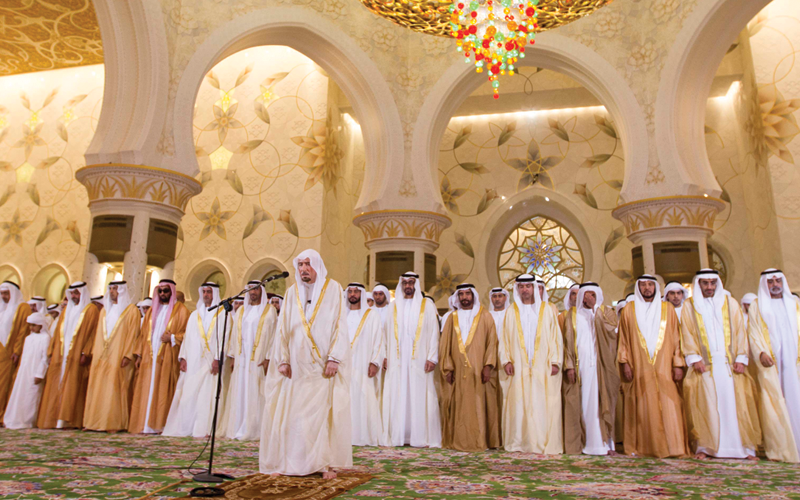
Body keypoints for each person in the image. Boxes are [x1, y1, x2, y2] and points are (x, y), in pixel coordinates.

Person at [260, 249, 351, 478]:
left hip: (322, 368)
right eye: (300, 265)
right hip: (296, 367)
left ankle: (322, 464)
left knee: (320, 416)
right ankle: (289, 463)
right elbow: (283, 327)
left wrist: (334, 357)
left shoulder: (333, 289)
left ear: (317, 266)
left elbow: (341, 325)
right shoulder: (291, 293)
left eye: (308, 264)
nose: (303, 269)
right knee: (294, 416)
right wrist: (283, 359)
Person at [680, 270, 759, 460]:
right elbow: (686, 332)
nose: (709, 287)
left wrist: (741, 358)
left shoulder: (730, 304)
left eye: (712, 283)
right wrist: (694, 358)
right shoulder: (689, 306)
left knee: (735, 406)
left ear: (717, 284)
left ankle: (744, 450)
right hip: (704, 366)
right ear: (698, 285)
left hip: (729, 365)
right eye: (705, 283)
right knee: (707, 405)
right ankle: (707, 448)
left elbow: (741, 332)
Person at [617, 275, 687, 458]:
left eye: (650, 284)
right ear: (637, 288)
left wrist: (678, 364)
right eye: (643, 285)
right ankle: (644, 448)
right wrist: (625, 363)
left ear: (656, 287)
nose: (647, 288)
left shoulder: (668, 309)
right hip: (639, 368)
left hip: (665, 369)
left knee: (670, 406)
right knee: (642, 407)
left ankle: (674, 447)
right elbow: (623, 341)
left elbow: (677, 339)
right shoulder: (628, 310)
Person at [499, 274, 563, 454]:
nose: (525, 290)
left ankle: (540, 442)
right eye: (521, 286)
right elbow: (503, 339)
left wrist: (556, 361)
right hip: (518, 366)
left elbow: (556, 337)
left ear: (534, 288)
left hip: (542, 365)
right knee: (518, 403)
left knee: (541, 403)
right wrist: (506, 360)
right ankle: (518, 442)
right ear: (517, 289)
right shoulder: (511, 311)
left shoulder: (547, 309)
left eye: (528, 286)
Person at [381, 272, 441, 448]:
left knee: (419, 395)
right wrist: (384, 356)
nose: (408, 286)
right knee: (398, 394)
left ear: (416, 285)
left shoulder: (427, 305)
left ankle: (419, 436)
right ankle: (399, 436)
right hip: (397, 360)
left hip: (420, 360)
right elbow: (384, 335)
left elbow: (434, 333)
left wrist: (432, 357)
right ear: (401, 285)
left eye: (411, 283)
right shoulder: (392, 307)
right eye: (405, 283)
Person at [163, 282, 231, 438]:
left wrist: (218, 359)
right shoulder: (195, 315)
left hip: (210, 363)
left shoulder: (221, 314)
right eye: (204, 291)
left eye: (209, 292)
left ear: (215, 293)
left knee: (207, 394)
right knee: (190, 394)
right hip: (193, 361)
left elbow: (225, 338)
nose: (206, 295)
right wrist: (183, 358)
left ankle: (204, 429)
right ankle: (188, 426)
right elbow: (187, 338)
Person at [747, 269, 800, 462]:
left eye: (778, 280)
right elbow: (753, 332)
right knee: (774, 404)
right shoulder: (757, 305)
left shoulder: (794, 304)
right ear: (764, 284)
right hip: (771, 363)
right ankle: (781, 450)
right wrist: (761, 353)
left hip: (795, 363)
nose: (775, 284)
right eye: (770, 282)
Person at [439, 283, 500, 451]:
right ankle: (458, 441)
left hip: (479, 371)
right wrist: (448, 368)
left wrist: (488, 366)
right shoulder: (452, 318)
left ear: (474, 296)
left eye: (468, 294)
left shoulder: (485, 316)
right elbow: (445, 345)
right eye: (462, 294)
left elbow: (492, 343)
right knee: (459, 406)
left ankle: (480, 441)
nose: (465, 298)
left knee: (479, 406)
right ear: (458, 297)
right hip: (457, 372)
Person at [562, 282, 619, 456]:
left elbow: (612, 329)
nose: (588, 298)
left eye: (592, 295)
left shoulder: (606, 312)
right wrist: (570, 366)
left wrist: (596, 308)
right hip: (581, 368)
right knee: (583, 404)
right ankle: (585, 442)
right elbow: (567, 343)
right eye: (585, 295)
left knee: (602, 404)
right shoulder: (572, 315)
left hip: (602, 367)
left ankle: (604, 444)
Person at [128, 279, 190, 434]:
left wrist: (174, 338)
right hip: (149, 358)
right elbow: (143, 335)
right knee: (146, 388)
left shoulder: (181, 310)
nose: (162, 294)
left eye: (166, 291)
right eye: (160, 291)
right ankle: (144, 424)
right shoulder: (151, 311)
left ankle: (160, 425)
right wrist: (139, 355)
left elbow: (188, 334)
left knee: (162, 390)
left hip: (168, 356)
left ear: (172, 292)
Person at [37, 282, 101, 429]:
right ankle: (54, 419)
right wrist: (52, 350)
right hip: (61, 354)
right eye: (72, 293)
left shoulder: (90, 310)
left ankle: (69, 421)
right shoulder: (66, 311)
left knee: (73, 385)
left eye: (77, 293)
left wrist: (86, 351)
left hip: (77, 354)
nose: (73, 296)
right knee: (56, 383)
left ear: (83, 293)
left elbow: (92, 333)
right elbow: (58, 331)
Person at [222, 280, 277, 441]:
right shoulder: (240, 312)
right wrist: (233, 356)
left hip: (258, 360)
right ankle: (237, 427)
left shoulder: (270, 311)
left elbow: (274, 335)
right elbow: (234, 335)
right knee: (240, 391)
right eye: (250, 289)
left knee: (256, 392)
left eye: (255, 289)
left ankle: (254, 429)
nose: (252, 292)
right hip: (241, 359)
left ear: (261, 291)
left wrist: (268, 357)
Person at [82, 281, 141, 432]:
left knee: (114, 387)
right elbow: (98, 334)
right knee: (97, 386)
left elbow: (133, 334)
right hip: (102, 355)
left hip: (119, 355)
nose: (113, 291)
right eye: (110, 289)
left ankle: (113, 423)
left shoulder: (131, 310)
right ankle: (93, 422)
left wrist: (128, 354)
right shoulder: (104, 311)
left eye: (115, 289)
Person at [343, 282, 383, 446]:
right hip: (343, 364)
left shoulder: (371, 315)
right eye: (350, 292)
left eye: (356, 292)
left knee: (363, 397)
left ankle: (363, 436)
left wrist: (374, 361)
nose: (353, 294)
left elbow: (378, 340)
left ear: (361, 294)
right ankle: (344, 436)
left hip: (363, 363)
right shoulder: (341, 315)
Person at [2, 313, 51, 429]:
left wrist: (40, 374)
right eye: (30, 325)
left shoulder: (46, 338)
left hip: (35, 371)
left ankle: (29, 421)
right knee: (21, 394)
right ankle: (16, 419)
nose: (31, 328)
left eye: (34, 325)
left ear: (41, 325)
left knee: (32, 395)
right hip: (24, 371)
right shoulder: (28, 338)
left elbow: (45, 358)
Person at [0, 281, 26, 422]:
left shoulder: (22, 308)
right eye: (2, 293)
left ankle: (3, 416)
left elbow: (23, 331)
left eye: (6, 293)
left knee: (5, 385)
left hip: (10, 354)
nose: (4, 296)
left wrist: (17, 351)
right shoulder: (2, 309)